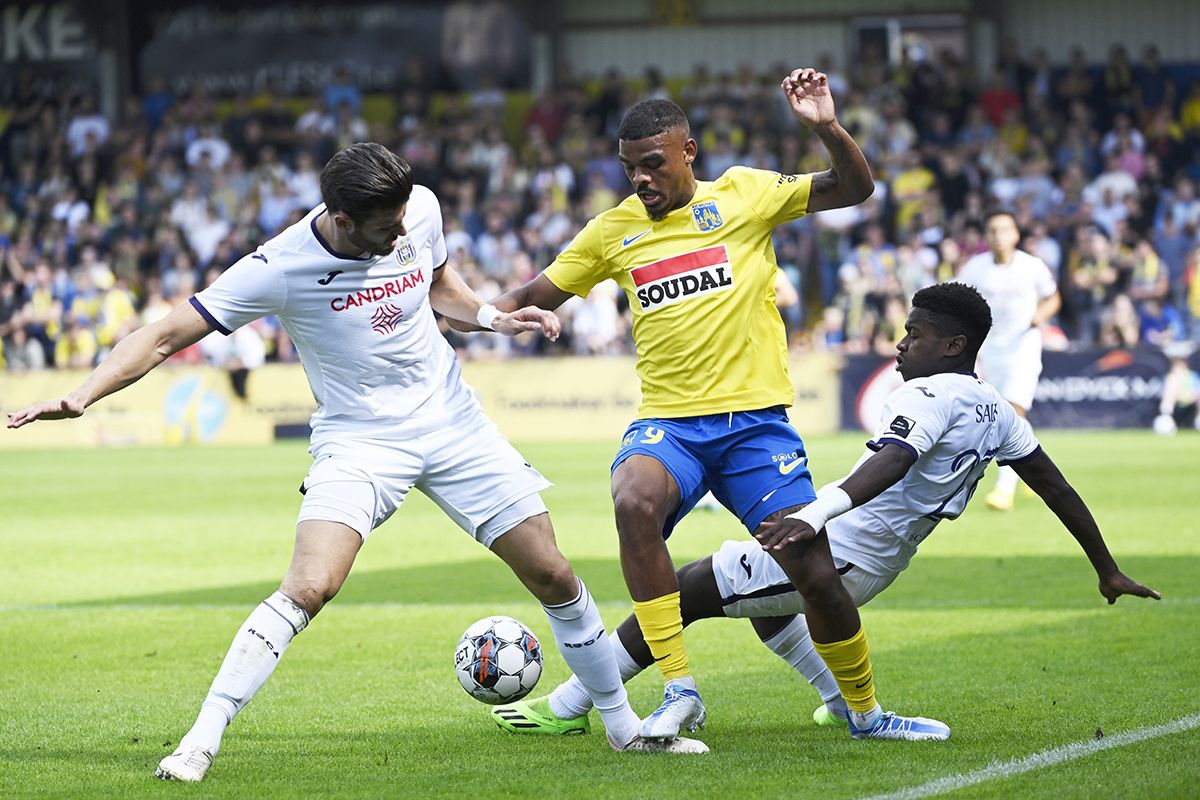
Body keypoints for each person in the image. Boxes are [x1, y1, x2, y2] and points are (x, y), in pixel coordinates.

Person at [5, 143, 708, 783]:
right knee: (311, 585)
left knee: (554, 572)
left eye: (404, 218)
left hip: (453, 421)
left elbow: (441, 289)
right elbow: (161, 335)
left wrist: (496, 319)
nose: (402, 233)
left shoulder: (417, 209)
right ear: (341, 220)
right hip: (360, 440)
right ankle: (200, 740)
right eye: (384, 228)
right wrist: (82, 394)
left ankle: (624, 731)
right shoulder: (280, 266)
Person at [460, 70, 948, 743]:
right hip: (670, 426)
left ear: (689, 151)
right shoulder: (613, 231)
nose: (640, 179)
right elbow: (532, 291)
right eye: (630, 167)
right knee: (633, 501)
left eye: (653, 164)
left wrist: (827, 130)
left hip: (756, 429)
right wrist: (484, 317)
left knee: (814, 572)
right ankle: (679, 687)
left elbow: (856, 190)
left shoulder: (747, 195)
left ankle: (865, 713)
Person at [493, 283, 1161, 736]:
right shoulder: (993, 409)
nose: (900, 345)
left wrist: (815, 515)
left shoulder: (928, 399)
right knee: (763, 609)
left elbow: (892, 459)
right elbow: (1055, 486)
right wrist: (1105, 567)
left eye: (914, 335)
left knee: (693, 585)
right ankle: (842, 700)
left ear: (952, 347)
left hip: (844, 555)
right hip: (869, 557)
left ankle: (573, 703)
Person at [957, 210, 1061, 511]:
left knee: (1012, 412)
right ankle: (1032, 465)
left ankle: (1004, 489)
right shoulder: (976, 268)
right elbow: (964, 304)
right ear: (986, 236)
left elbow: (1053, 297)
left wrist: (1041, 315)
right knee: (1003, 413)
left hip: (1023, 347)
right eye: (993, 230)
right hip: (990, 350)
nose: (999, 235)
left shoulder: (1032, 267)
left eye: (1005, 229)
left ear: (1016, 234)